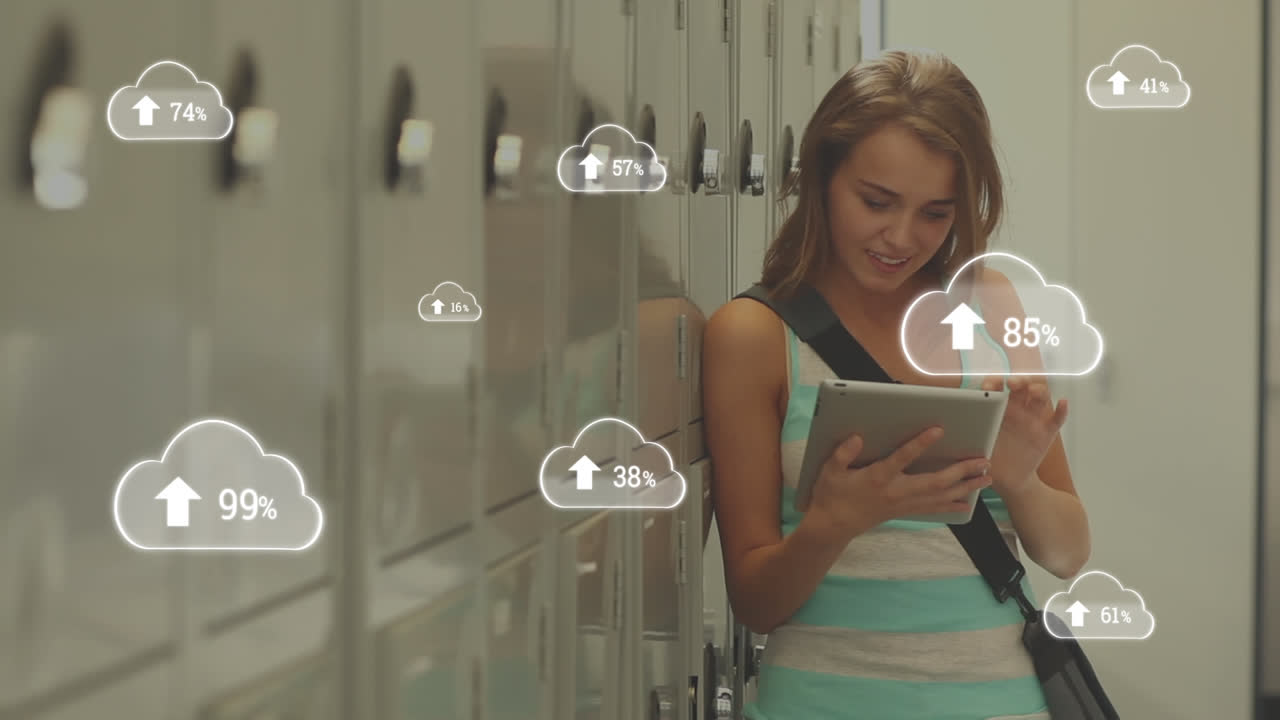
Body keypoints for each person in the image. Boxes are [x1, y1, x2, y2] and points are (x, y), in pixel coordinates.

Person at [701, 50, 1091, 720]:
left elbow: (1068, 553)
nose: (901, 237)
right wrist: (835, 523)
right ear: (822, 176)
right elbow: (756, 602)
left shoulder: (990, 302)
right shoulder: (753, 335)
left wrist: (1020, 480)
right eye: (876, 202)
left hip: (1001, 703)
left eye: (935, 213)